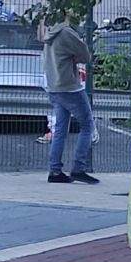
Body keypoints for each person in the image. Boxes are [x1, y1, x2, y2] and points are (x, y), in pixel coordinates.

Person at [42, 17, 99, 185]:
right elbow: (86, 55)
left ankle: (55, 170)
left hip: (54, 86)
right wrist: (76, 57)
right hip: (70, 86)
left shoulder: (50, 31)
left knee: (60, 129)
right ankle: (78, 168)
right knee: (87, 126)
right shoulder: (66, 32)